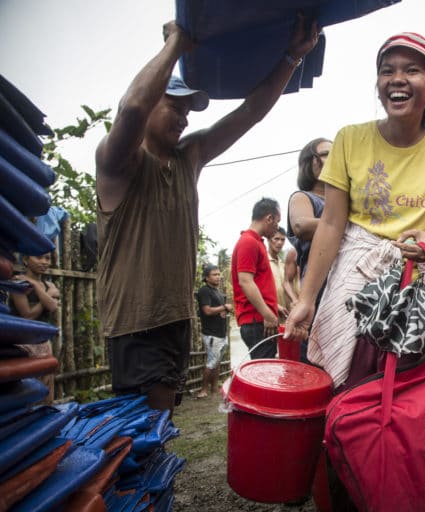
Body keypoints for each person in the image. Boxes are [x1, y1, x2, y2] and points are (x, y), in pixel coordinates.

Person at [95, 17, 320, 412]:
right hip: (134, 324)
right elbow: (131, 107)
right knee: (141, 429)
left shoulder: (188, 158)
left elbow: (250, 112)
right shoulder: (119, 163)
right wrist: (177, 44)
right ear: (151, 106)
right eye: (174, 105)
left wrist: (291, 57)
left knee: (160, 427)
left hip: (175, 320)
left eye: (188, 108)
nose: (184, 116)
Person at [285, 32, 425, 391]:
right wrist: (306, 298)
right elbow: (332, 224)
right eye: (387, 71)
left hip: (414, 273)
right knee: (348, 378)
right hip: (356, 265)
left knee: (409, 376)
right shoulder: (350, 139)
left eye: (411, 70)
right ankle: (348, 438)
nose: (396, 79)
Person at [231, 198, 283, 359]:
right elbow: (245, 281)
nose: (276, 228)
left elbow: (259, 282)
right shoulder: (249, 242)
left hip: (260, 319)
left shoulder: (256, 242)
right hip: (257, 321)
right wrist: (267, 314)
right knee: (264, 372)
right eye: (277, 221)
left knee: (265, 367)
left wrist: (275, 306)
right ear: (269, 218)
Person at [9, 252, 60, 403]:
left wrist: (37, 288)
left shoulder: (49, 285)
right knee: (27, 388)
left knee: (47, 388)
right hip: (23, 345)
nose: (44, 262)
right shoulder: (18, 283)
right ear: (25, 259)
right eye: (39, 257)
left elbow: (52, 307)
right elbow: (28, 315)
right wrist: (47, 295)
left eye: (48, 258)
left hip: (44, 343)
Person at [287, 137, 332, 280]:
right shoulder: (303, 197)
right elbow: (302, 226)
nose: (334, 158)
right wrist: (351, 224)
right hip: (321, 283)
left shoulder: (347, 202)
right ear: (309, 163)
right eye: (326, 154)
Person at [196, 264, 232, 398]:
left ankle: (214, 388)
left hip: (221, 332)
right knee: (211, 362)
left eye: (218, 274)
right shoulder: (204, 291)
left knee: (217, 362)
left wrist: (224, 310)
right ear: (206, 277)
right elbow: (207, 310)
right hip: (211, 334)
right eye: (214, 275)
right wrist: (224, 307)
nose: (218, 277)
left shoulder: (217, 291)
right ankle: (203, 390)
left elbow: (219, 311)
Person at [267, 227, 291, 320]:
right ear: (268, 240)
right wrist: (274, 306)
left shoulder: (282, 265)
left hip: (283, 317)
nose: (280, 242)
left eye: (282, 239)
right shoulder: (263, 262)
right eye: (276, 239)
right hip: (268, 316)